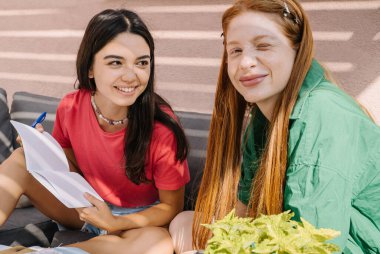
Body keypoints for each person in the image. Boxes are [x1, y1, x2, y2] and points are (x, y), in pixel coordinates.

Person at [169, 0, 380, 253]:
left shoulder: (323, 115)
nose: (245, 62)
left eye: (263, 45)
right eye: (235, 50)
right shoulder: (263, 116)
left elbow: (314, 244)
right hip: (289, 239)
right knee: (183, 222)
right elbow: (244, 214)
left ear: (297, 49)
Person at [0, 9, 190, 254]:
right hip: (85, 206)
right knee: (20, 159)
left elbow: (170, 208)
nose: (131, 75)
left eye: (142, 62)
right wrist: (42, 150)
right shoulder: (71, 106)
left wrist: (115, 222)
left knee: (159, 245)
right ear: (90, 67)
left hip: (137, 222)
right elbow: (68, 168)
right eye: (115, 62)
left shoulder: (163, 129)